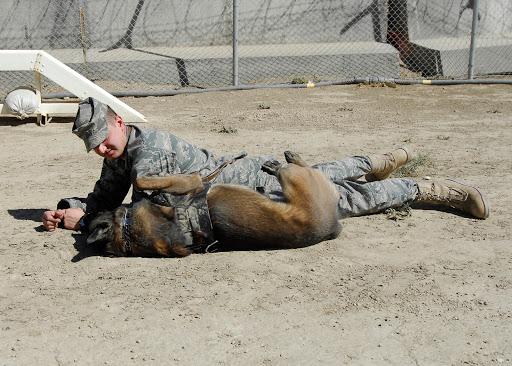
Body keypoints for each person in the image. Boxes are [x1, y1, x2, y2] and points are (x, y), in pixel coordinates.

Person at [42, 98, 489, 232]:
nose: (102, 149)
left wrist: (86, 223)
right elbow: (103, 198)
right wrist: (71, 208)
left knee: (340, 200)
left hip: (252, 191)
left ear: (119, 122)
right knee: (325, 174)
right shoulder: (122, 155)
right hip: (243, 183)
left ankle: (426, 188)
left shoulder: (148, 153)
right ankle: (375, 161)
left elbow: (143, 217)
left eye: (104, 139)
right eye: (95, 147)